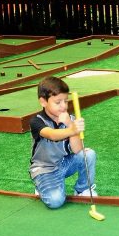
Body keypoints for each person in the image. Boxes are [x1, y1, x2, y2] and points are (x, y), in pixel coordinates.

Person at [29, 76, 97, 209]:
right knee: (56, 201)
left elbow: (77, 149)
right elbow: (52, 135)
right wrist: (72, 129)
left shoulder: (69, 119)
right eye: (58, 102)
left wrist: (70, 124)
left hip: (64, 163)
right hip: (44, 169)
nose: (63, 106)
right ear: (43, 102)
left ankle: (82, 189)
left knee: (88, 154)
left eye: (65, 101)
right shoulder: (37, 121)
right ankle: (42, 187)